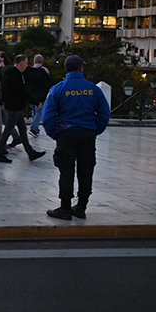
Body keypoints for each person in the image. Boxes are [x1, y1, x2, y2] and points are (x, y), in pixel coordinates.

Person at [42, 55, 110, 220]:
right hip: (87, 134)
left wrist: (55, 134)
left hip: (66, 134)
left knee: (66, 170)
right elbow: (104, 113)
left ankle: (65, 208)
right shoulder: (93, 88)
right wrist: (95, 130)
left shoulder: (58, 89)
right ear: (81, 68)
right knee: (86, 171)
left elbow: (48, 116)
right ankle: (81, 207)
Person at [0, 54, 46, 163]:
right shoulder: (15, 75)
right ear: (21, 63)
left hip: (13, 105)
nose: (27, 65)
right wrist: (35, 102)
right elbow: (21, 91)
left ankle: (30, 152)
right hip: (15, 106)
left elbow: (5, 89)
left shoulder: (8, 73)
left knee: (22, 129)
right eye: (26, 63)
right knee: (8, 129)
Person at [24, 54, 52, 138]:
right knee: (39, 112)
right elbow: (48, 82)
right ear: (42, 62)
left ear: (34, 61)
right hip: (40, 95)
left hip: (30, 94)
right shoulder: (43, 71)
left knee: (34, 112)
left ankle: (36, 130)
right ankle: (33, 128)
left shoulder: (28, 71)